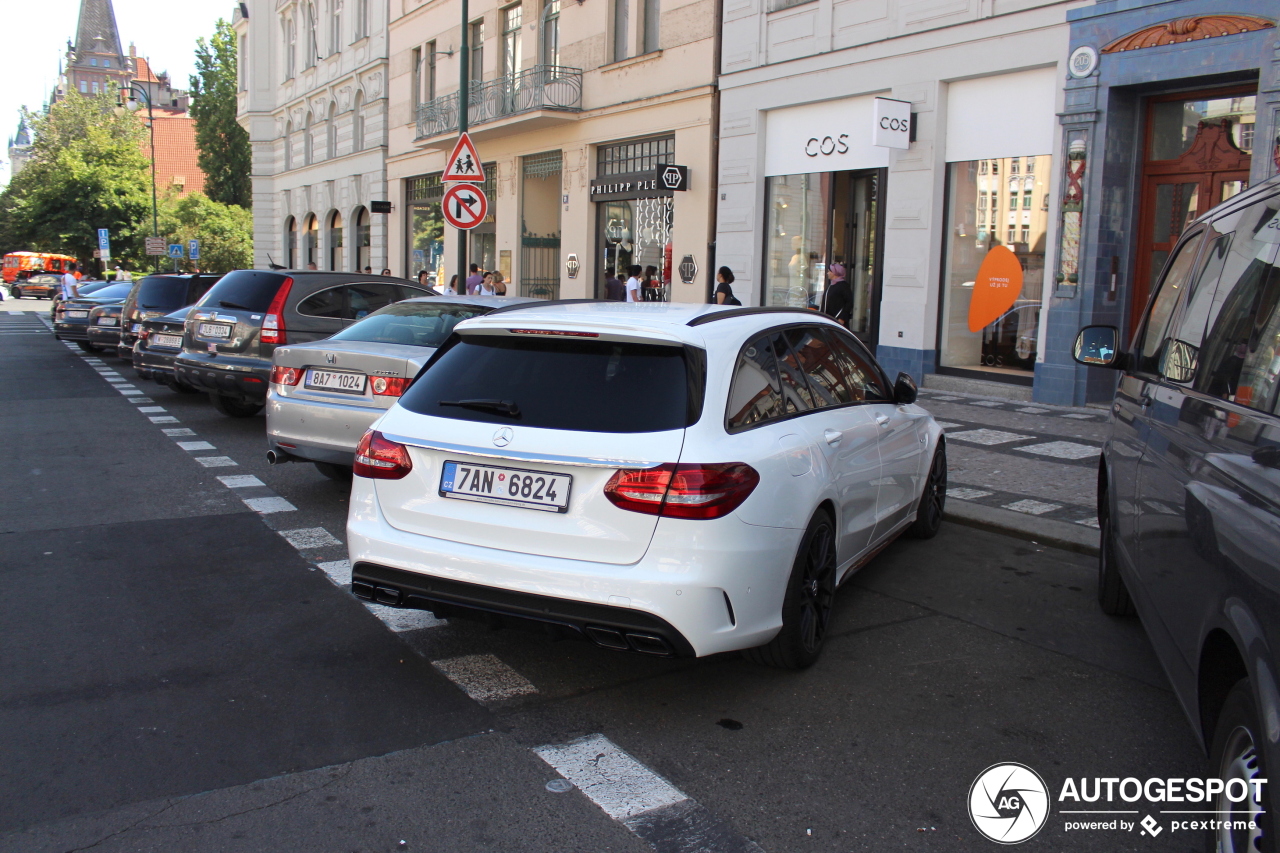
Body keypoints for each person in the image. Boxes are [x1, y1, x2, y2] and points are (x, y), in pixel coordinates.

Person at [822, 262, 852, 327]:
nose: (827, 273)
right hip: (828, 320)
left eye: (829, 271)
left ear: (835, 273)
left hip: (838, 321)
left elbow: (849, 302)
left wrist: (842, 318)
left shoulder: (843, 286)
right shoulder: (831, 285)